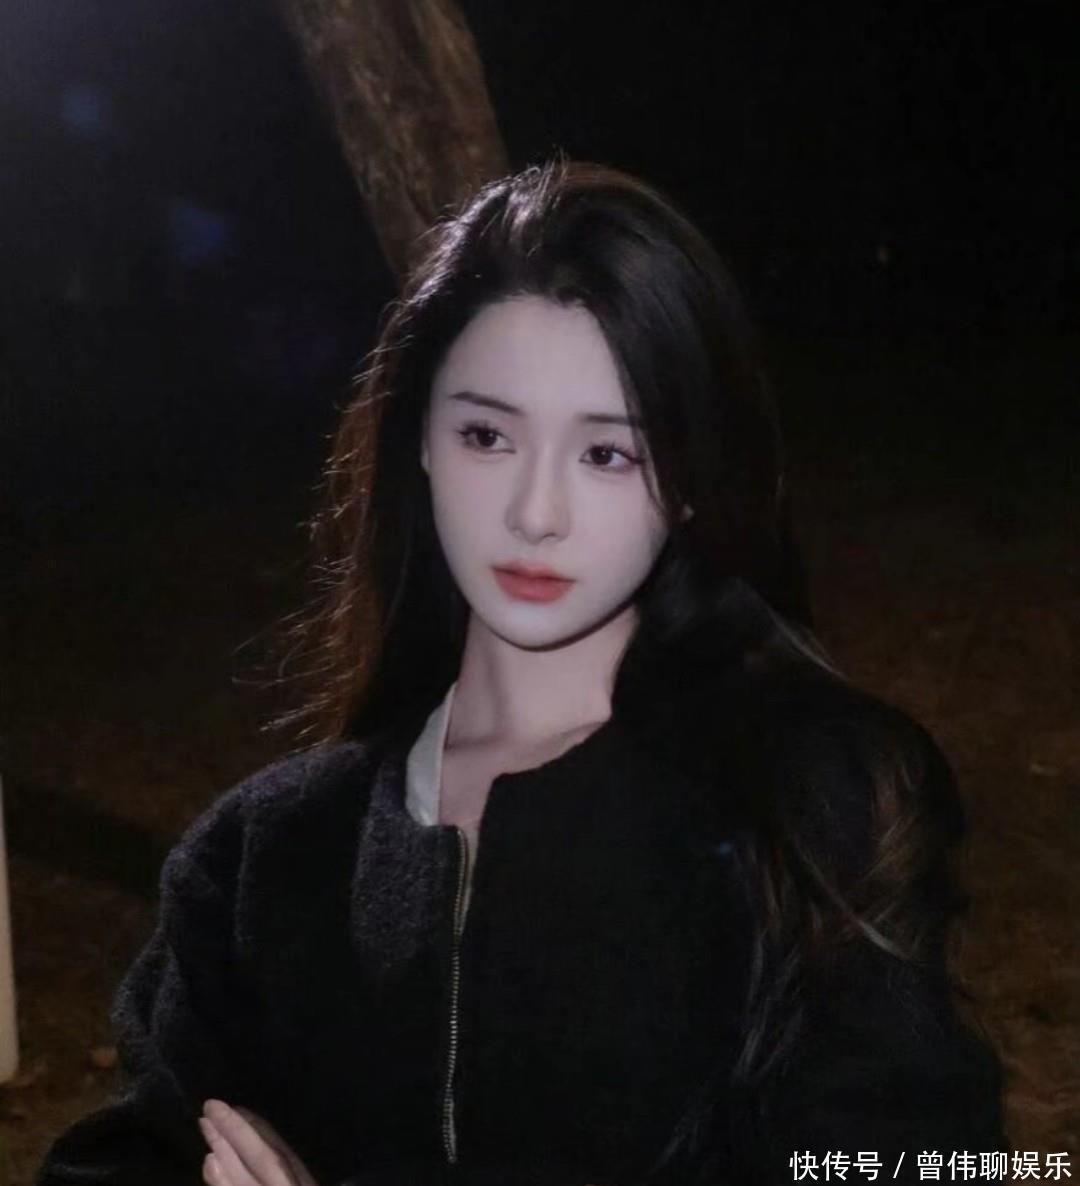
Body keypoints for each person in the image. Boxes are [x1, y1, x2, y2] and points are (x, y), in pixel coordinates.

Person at [35, 159, 1005, 1186]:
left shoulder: (813, 803)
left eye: (608, 454)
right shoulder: (266, 857)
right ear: (420, 440)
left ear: (690, 482)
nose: (536, 513)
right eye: (488, 435)